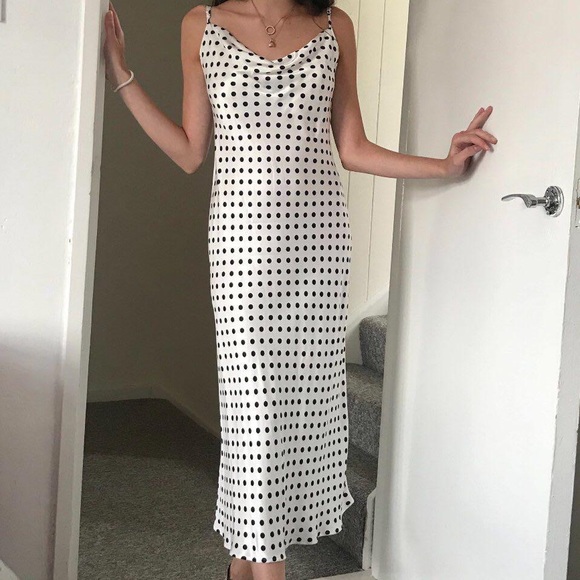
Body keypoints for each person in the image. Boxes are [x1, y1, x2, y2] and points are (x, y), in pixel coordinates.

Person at [103, 1, 497, 579]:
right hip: (242, 252)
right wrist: (121, 75)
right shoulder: (201, 25)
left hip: (318, 254)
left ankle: (243, 567)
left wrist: (442, 166)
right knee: (255, 419)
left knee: (294, 421)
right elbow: (190, 151)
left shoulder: (335, 26)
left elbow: (352, 147)